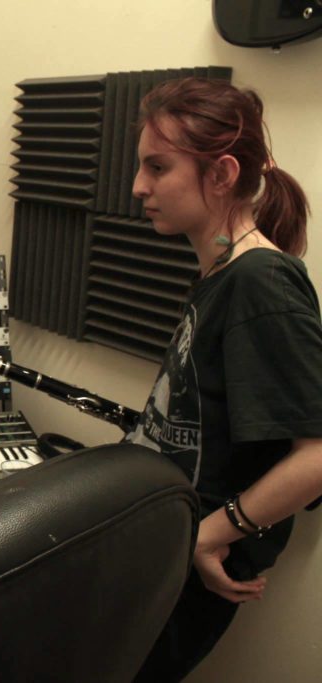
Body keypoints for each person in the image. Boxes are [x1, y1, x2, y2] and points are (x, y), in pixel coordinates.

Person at [126, 77, 322, 681]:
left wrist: (209, 538)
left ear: (221, 174)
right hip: (167, 545)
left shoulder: (260, 283)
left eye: (158, 168)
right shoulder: (222, 273)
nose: (138, 188)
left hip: (191, 562)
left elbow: (316, 454)